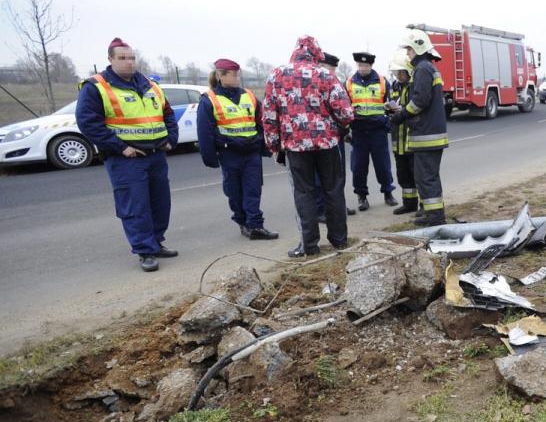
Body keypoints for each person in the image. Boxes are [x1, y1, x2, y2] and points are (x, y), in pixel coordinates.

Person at [76, 37, 179, 272]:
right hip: (127, 159)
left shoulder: (150, 85)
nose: (129, 62)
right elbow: (88, 123)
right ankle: (145, 251)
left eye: (132, 57)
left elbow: (168, 114)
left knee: (160, 203)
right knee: (136, 206)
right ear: (110, 59)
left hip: (155, 155)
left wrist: (169, 140)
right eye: (122, 58)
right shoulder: (96, 86)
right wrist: (120, 147)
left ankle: (156, 242)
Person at [261, 36, 355, 258]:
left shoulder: (276, 76)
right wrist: (338, 128)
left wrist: (275, 147)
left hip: (295, 147)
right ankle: (340, 241)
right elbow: (346, 113)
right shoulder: (325, 75)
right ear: (316, 54)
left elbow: (269, 116)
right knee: (333, 191)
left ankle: (309, 246)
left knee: (303, 194)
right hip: (327, 145)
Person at [196, 59, 278, 241]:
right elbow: (205, 131)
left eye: (238, 74)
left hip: (251, 152)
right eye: (233, 74)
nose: (237, 77)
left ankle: (256, 225)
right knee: (234, 192)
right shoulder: (209, 99)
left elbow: (261, 121)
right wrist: (211, 156)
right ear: (220, 76)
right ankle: (242, 221)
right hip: (230, 153)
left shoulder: (248, 95)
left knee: (253, 190)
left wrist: (263, 144)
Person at [390, 30, 447, 226]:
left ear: (418, 48)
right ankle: (432, 214)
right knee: (426, 177)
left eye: (409, 49)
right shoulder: (428, 68)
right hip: (429, 134)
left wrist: (401, 115)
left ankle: (435, 218)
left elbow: (420, 101)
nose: (408, 54)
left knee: (426, 178)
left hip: (426, 135)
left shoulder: (423, 69)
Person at [347, 52, 396, 212]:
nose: (363, 68)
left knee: (383, 165)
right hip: (359, 132)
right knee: (359, 167)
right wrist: (346, 130)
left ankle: (388, 193)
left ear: (371, 66)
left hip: (377, 131)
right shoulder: (348, 83)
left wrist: (386, 124)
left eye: (366, 66)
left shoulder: (382, 82)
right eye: (360, 65)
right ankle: (362, 197)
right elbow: (343, 108)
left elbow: (392, 105)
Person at [317, 52, 355, 219]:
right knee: (321, 176)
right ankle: (322, 209)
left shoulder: (334, 81)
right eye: (330, 68)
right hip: (322, 136)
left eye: (333, 69)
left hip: (336, 135)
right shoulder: (315, 82)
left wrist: (345, 129)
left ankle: (338, 206)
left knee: (338, 174)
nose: (332, 72)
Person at [385, 53, 419, 215]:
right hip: (398, 141)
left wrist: (402, 110)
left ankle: (422, 205)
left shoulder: (414, 86)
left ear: (408, 71)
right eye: (396, 72)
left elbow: (416, 107)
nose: (398, 75)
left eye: (401, 72)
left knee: (416, 175)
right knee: (403, 175)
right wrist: (388, 109)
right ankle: (409, 204)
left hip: (411, 140)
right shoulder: (395, 86)